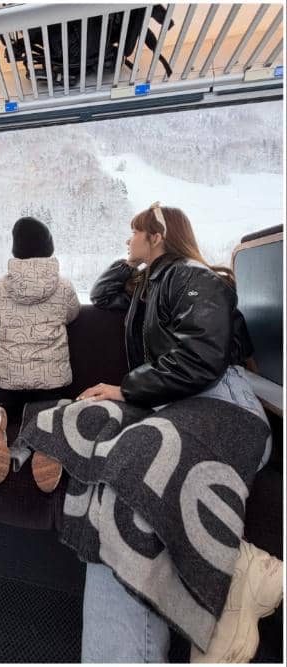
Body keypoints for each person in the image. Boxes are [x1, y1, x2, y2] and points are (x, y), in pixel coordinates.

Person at [78, 202, 283, 662]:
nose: (128, 239)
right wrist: (130, 262)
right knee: (120, 485)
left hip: (223, 405)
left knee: (133, 482)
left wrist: (126, 389)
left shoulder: (192, 276)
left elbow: (202, 357)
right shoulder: (148, 286)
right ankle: (237, 569)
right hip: (179, 409)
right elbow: (101, 293)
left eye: (136, 233)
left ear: (158, 236)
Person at [0, 216, 80, 492]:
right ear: (49, 248)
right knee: (53, 411)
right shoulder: (64, 287)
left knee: (0, 402)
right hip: (52, 383)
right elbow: (72, 315)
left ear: (15, 249)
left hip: (5, 383)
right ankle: (46, 439)